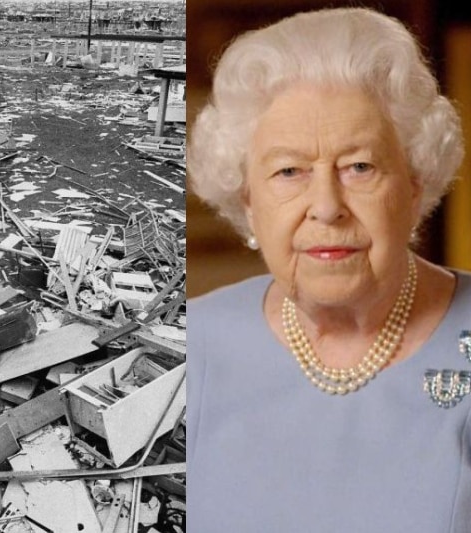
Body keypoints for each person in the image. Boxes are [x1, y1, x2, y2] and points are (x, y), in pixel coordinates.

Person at [187, 7, 469, 532]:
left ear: (413, 184)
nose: (326, 206)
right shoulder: (191, 343)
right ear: (248, 200)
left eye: (358, 166)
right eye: (289, 171)